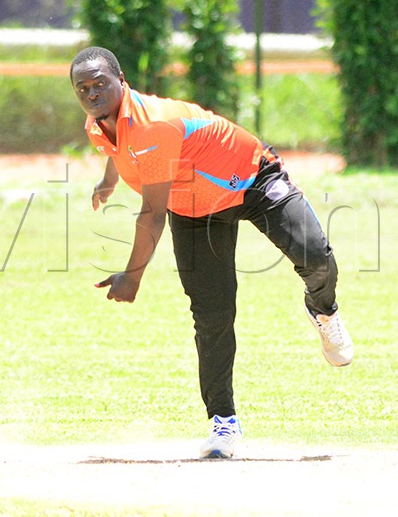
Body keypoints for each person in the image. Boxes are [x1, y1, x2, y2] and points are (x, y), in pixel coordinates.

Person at [72, 46, 353, 459]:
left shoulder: (155, 125)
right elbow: (118, 149)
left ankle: (323, 310)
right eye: (83, 88)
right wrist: (109, 180)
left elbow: (151, 214)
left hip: (252, 177)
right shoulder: (98, 125)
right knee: (213, 315)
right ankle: (224, 422)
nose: (92, 93)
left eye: (101, 84)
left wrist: (132, 277)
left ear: (122, 82)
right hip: (194, 208)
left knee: (314, 255)